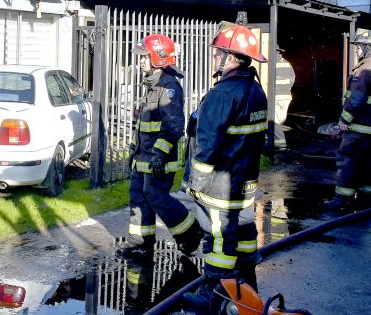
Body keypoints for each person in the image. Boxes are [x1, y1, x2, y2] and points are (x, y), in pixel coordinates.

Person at [181, 24, 268, 307]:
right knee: (243, 232)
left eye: (218, 53)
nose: (214, 58)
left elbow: (207, 144)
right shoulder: (255, 90)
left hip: (219, 184)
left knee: (218, 237)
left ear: (230, 58)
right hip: (245, 182)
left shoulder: (223, 94)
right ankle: (247, 286)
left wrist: (196, 182)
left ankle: (215, 295)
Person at [115, 33, 203, 260]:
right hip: (144, 156)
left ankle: (190, 233)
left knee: (156, 197)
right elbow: (147, 124)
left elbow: (173, 126)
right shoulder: (153, 85)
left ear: (159, 58)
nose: (140, 61)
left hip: (158, 159)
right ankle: (140, 243)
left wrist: (159, 155)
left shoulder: (168, 87)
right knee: (138, 196)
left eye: (145, 56)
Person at [326, 28, 371, 211]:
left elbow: (356, 99)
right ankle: (367, 196)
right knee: (367, 164)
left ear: (367, 48)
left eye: (358, 47)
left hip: (359, 128)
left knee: (347, 161)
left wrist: (343, 121)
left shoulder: (365, 69)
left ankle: (342, 200)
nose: (356, 51)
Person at [273, 47, 295, 151]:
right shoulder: (287, 63)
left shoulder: (271, 64)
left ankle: (281, 144)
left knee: (274, 121)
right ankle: (273, 139)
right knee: (280, 120)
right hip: (286, 96)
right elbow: (292, 80)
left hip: (275, 97)